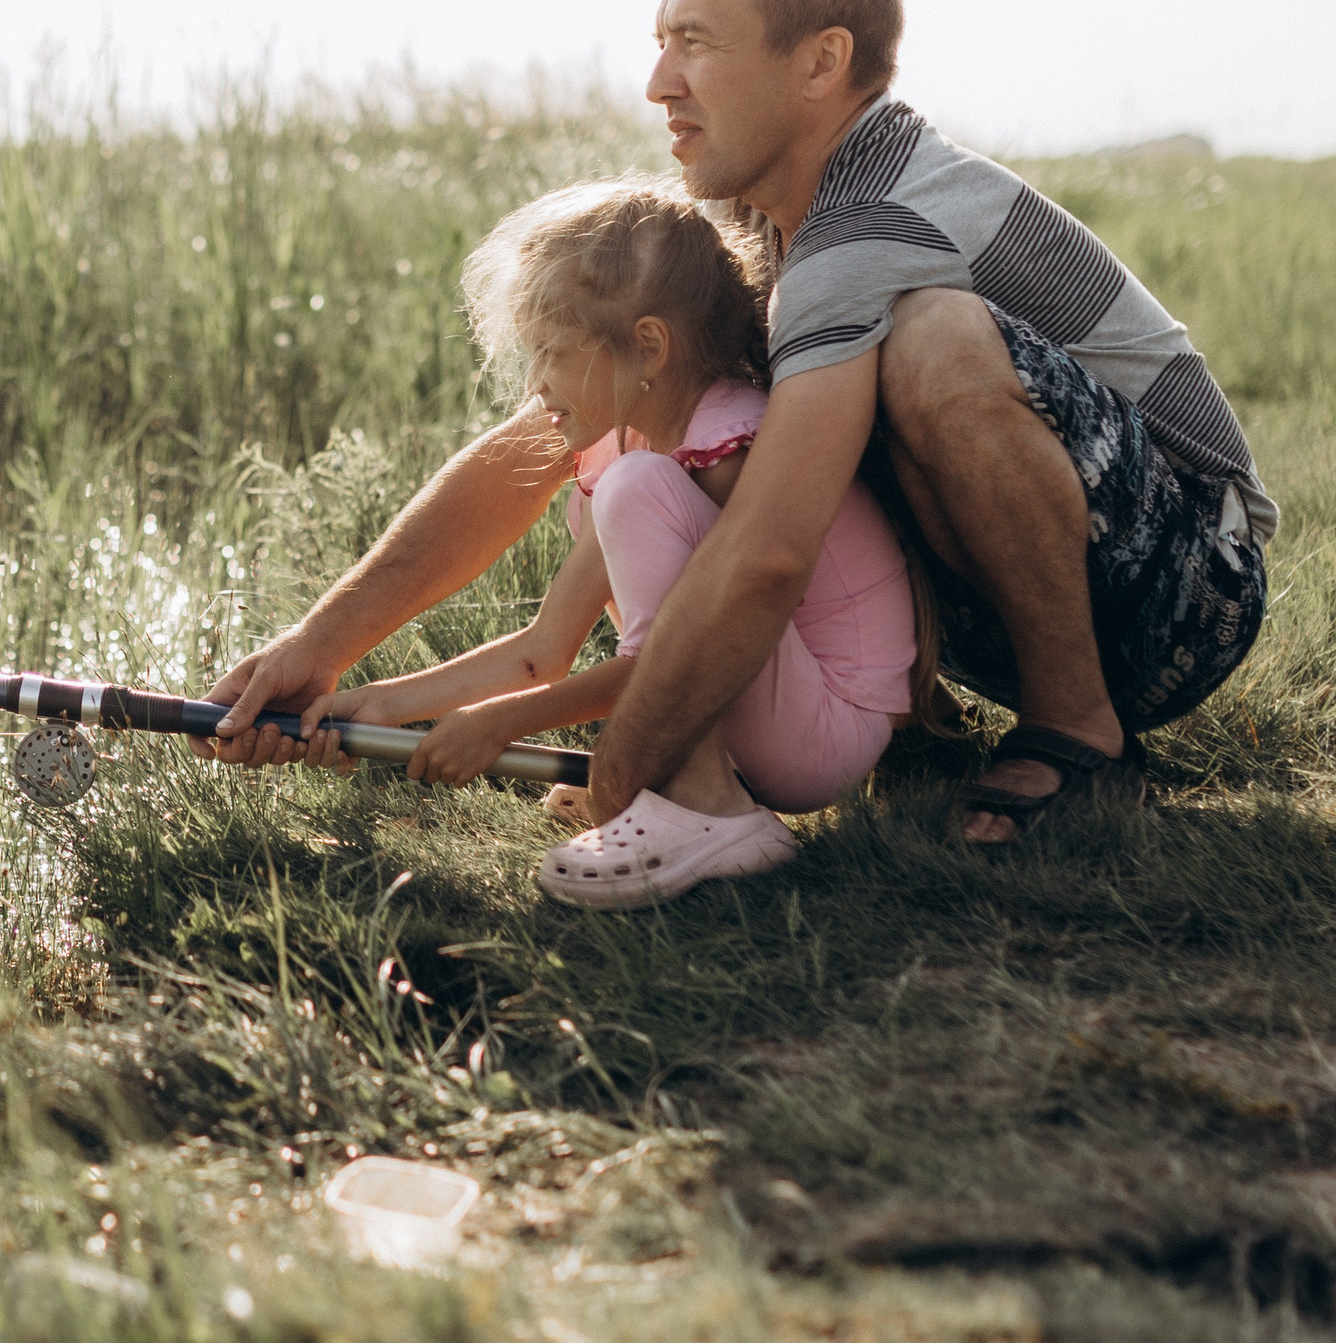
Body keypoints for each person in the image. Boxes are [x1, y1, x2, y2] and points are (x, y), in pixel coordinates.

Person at [202, 0, 1270, 863]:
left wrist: (632, 759)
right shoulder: (767, 231)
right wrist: (320, 648)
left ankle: (1075, 729)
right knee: (789, 392)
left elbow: (766, 551)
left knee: (932, 339)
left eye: (695, 45)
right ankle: (915, 720)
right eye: (660, 44)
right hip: (1033, 581)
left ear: (819, 63)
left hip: (1183, 590)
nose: (659, 82)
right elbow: (544, 444)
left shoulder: (872, 225)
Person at [293, 179, 918, 905]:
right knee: (622, 490)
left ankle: (708, 808)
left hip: (827, 730)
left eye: (553, 353)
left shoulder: (725, 445)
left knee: (629, 492)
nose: (536, 385)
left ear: (648, 346)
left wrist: (498, 724)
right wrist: (370, 705)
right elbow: (543, 649)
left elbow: (666, 665)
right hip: (779, 717)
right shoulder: (641, 458)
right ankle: (701, 795)